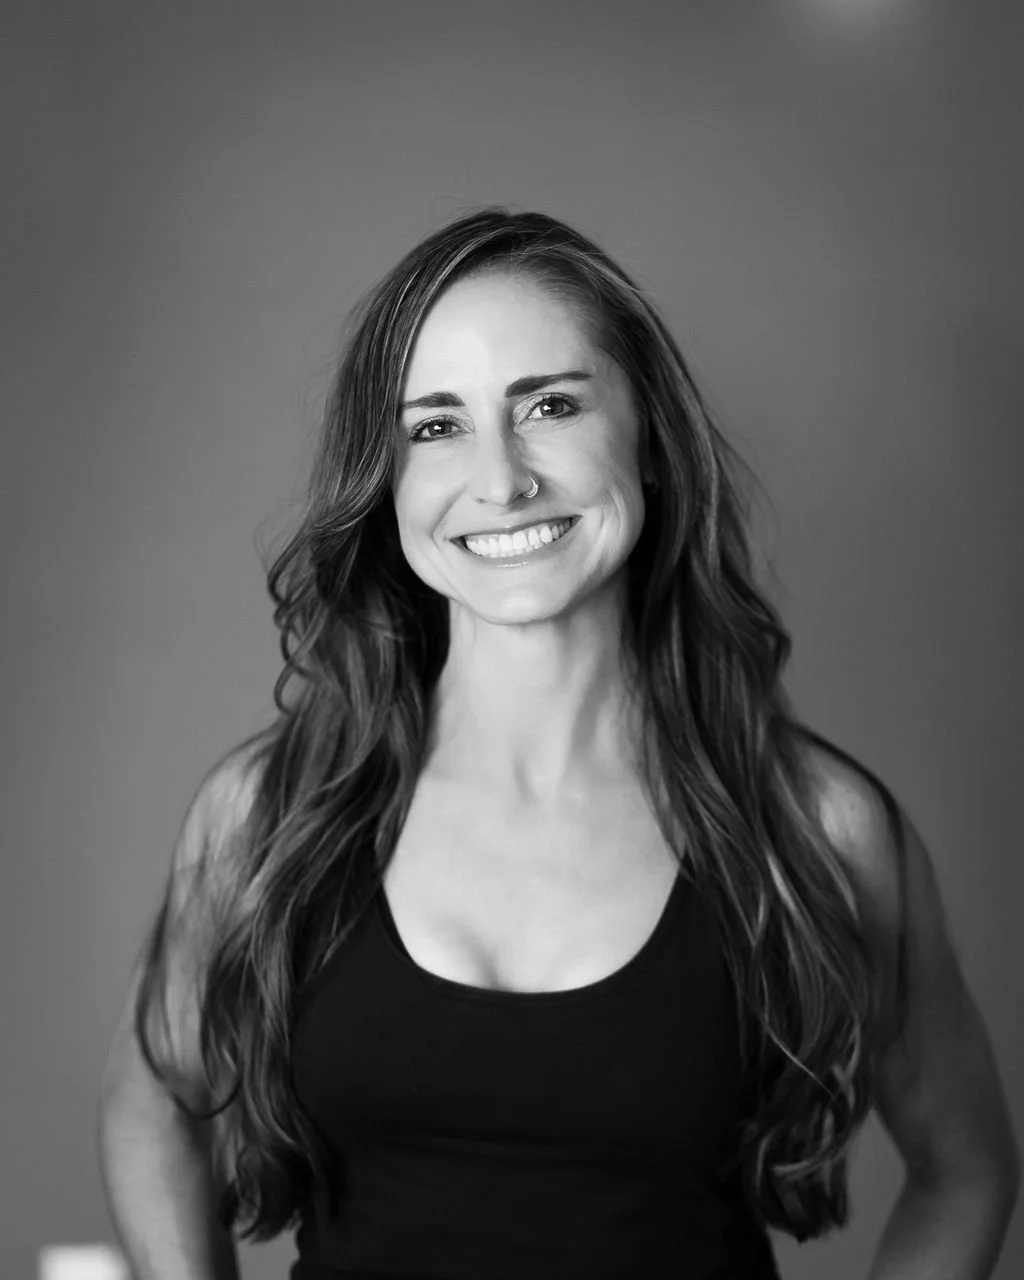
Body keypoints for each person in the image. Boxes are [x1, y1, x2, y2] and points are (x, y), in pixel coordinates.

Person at [96, 208, 1020, 1280]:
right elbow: (151, 1100)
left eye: (550, 406)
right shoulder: (270, 811)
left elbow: (965, 1166)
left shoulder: (817, 828)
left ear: (650, 438)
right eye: (435, 427)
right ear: (386, 480)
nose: (501, 479)